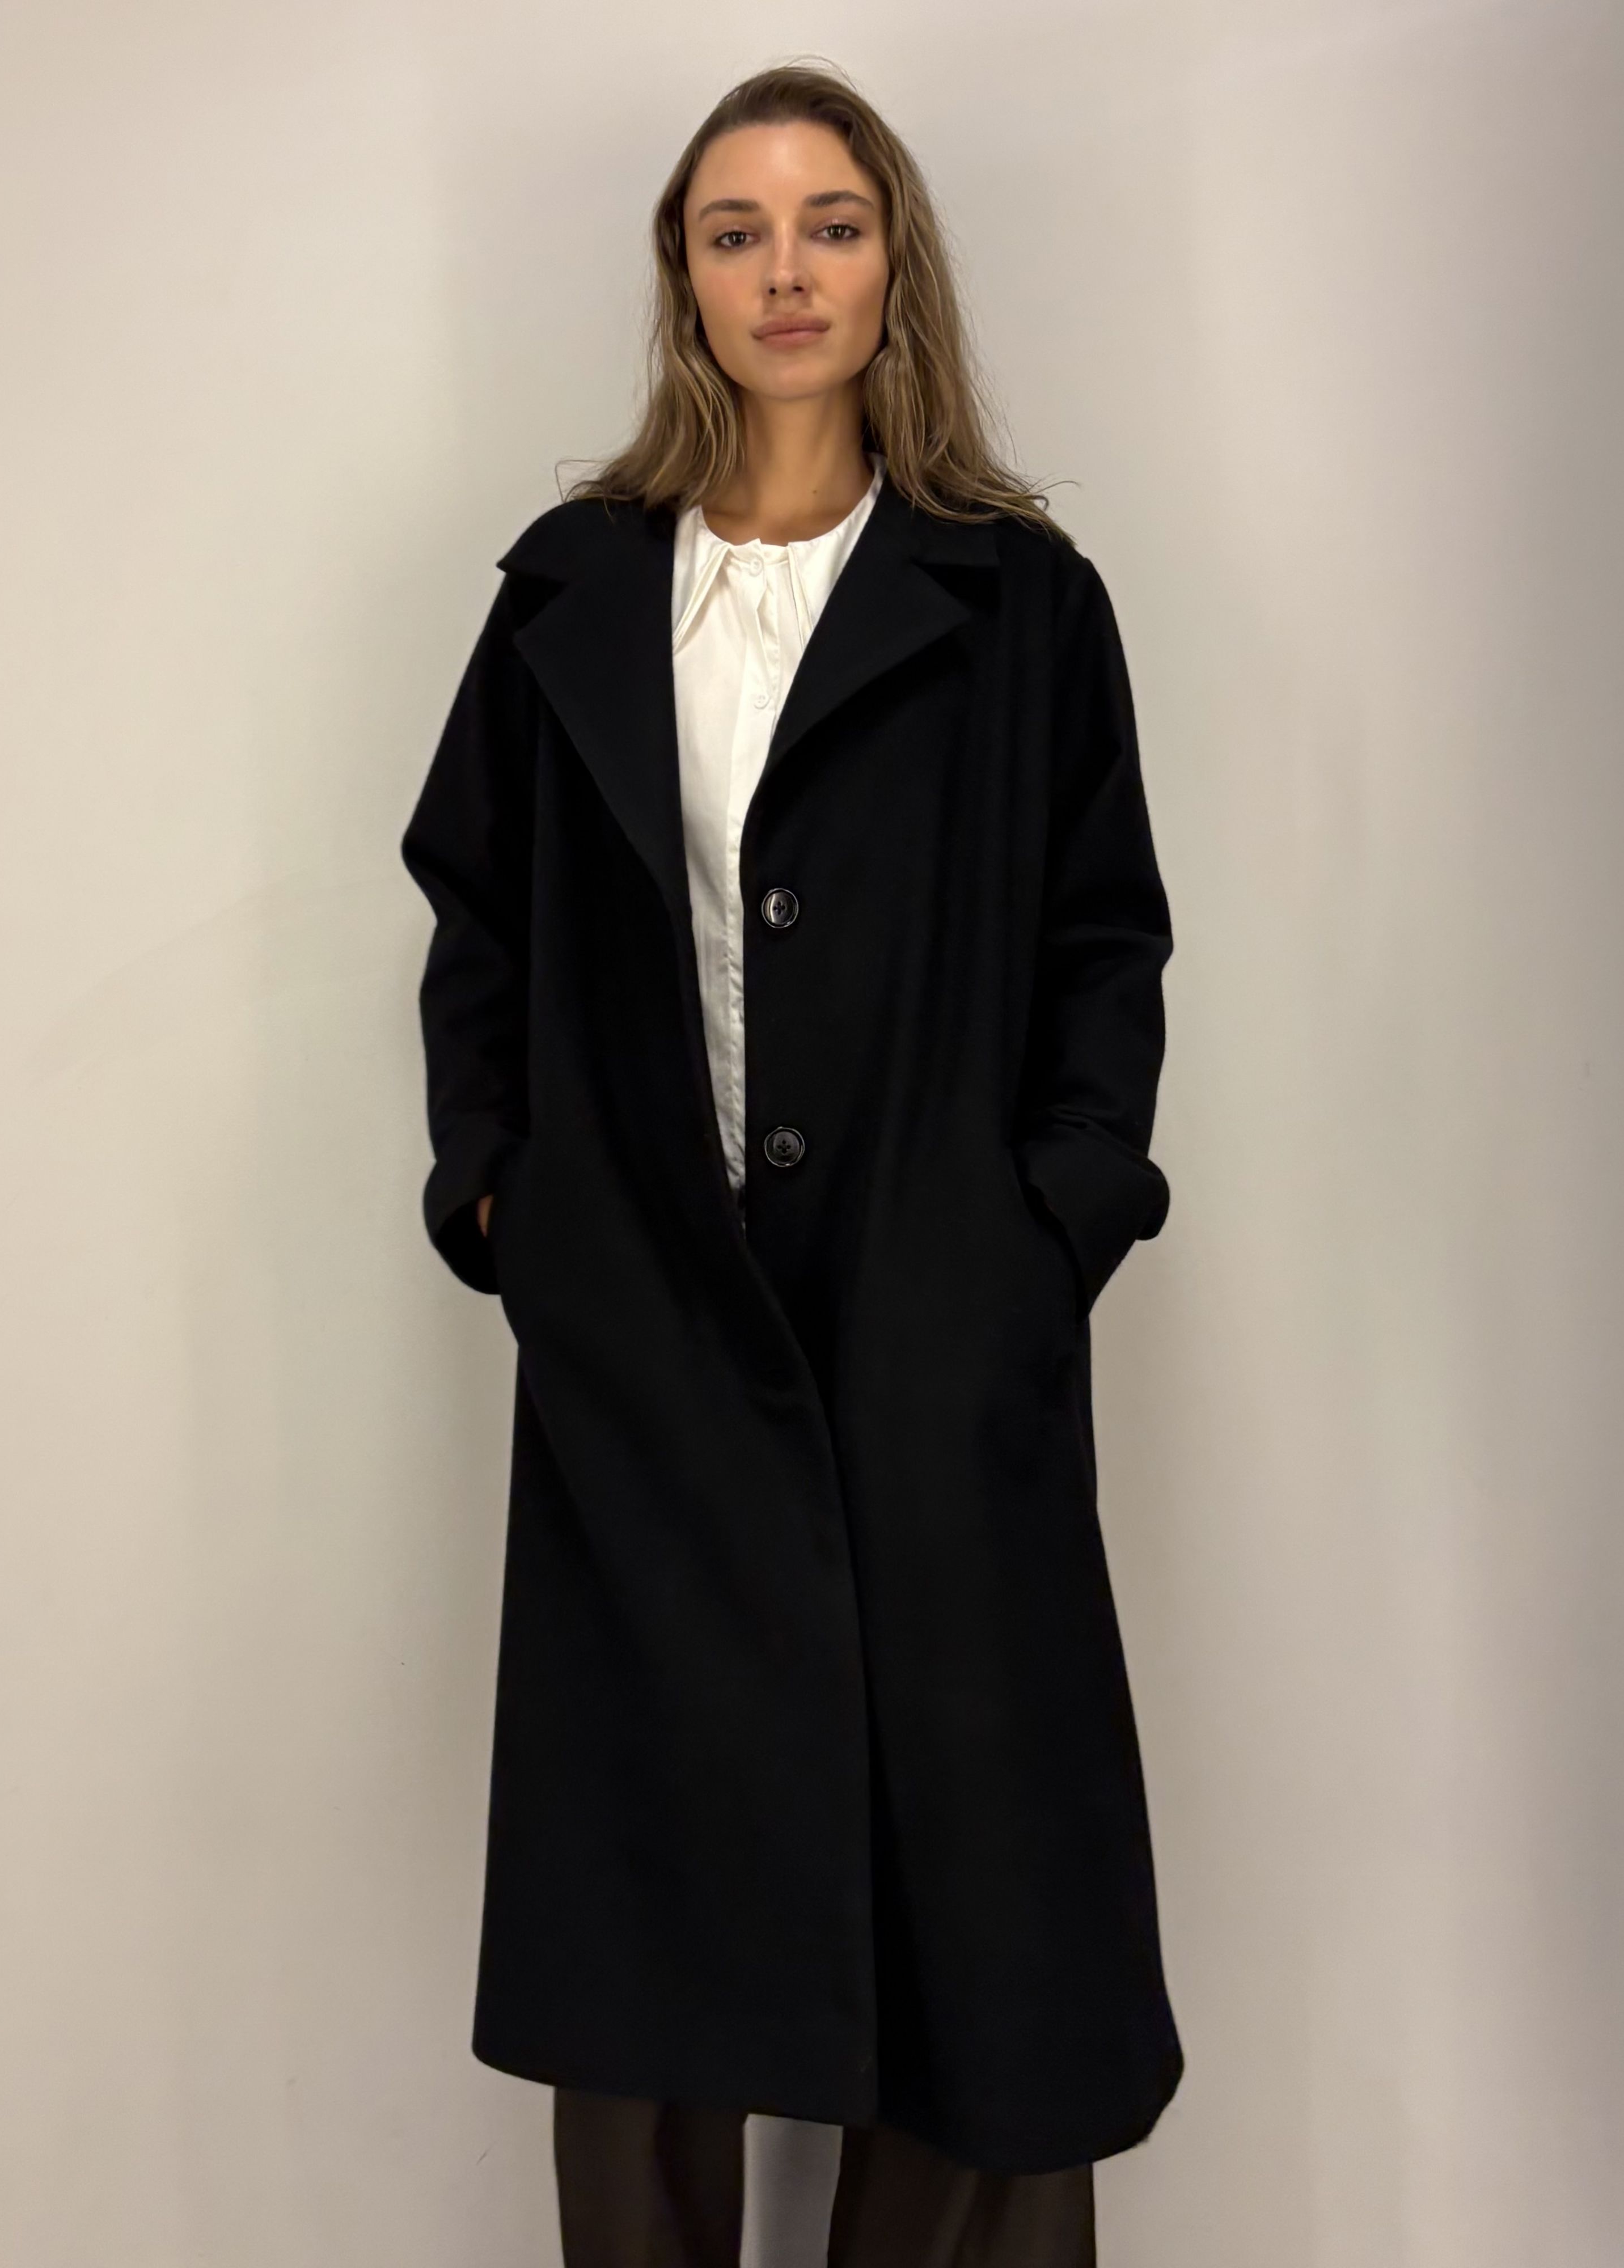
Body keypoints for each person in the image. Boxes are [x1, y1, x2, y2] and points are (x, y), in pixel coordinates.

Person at [401, 62, 1182, 2268]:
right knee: (641, 1895)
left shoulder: (1018, 601)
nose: (784, 272)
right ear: (683, 278)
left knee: (981, 1892)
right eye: (733, 231)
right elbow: (478, 918)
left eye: (828, 223)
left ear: (892, 260)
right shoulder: (570, 589)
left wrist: (1047, 1223)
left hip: (934, 1315)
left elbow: (1102, 944)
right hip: (647, 1320)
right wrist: (505, 1196)